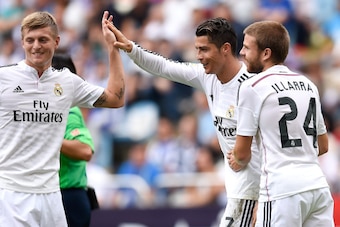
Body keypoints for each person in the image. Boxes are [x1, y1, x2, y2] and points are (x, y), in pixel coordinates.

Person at [107, 14, 261, 227]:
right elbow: (162, 66)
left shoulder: (255, 86)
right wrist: (130, 47)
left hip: (257, 194)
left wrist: (264, 199)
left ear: (225, 49)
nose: (198, 56)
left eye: (204, 49)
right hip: (238, 192)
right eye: (197, 49)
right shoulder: (207, 77)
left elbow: (273, 145)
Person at [0, 11, 125, 226]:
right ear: (22, 43)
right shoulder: (4, 78)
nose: (36, 46)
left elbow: (115, 98)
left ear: (56, 42)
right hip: (12, 193)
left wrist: (112, 49)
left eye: (43, 39)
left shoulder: (68, 82)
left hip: (52, 195)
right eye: (30, 40)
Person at [230, 20, 334, 226]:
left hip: (281, 190)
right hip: (318, 187)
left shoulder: (253, 86)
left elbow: (242, 154)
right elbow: (322, 146)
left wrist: (236, 159)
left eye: (247, 47)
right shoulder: (308, 84)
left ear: (266, 53)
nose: (241, 52)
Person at [52, 53, 97, 227]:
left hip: (69, 196)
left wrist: (50, 139)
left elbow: (85, 150)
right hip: (55, 194)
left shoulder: (70, 112)